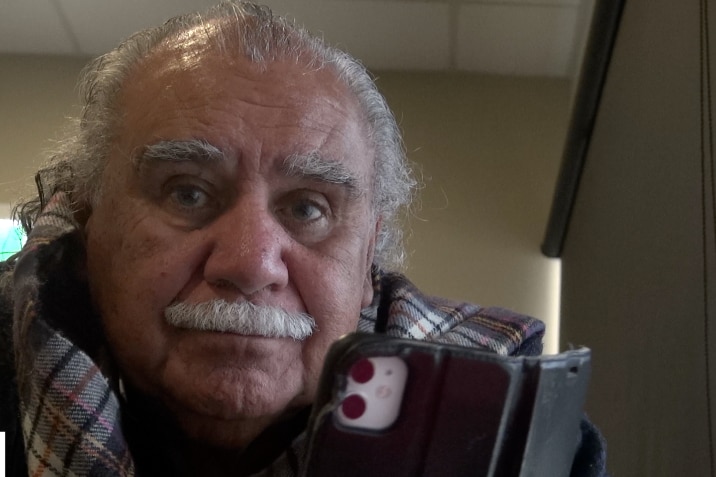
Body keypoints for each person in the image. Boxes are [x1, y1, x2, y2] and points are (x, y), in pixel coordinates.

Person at [0, 2, 607, 476]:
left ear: (369, 257)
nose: (250, 264)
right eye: (187, 192)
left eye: (308, 208)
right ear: (89, 224)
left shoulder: (527, 444)